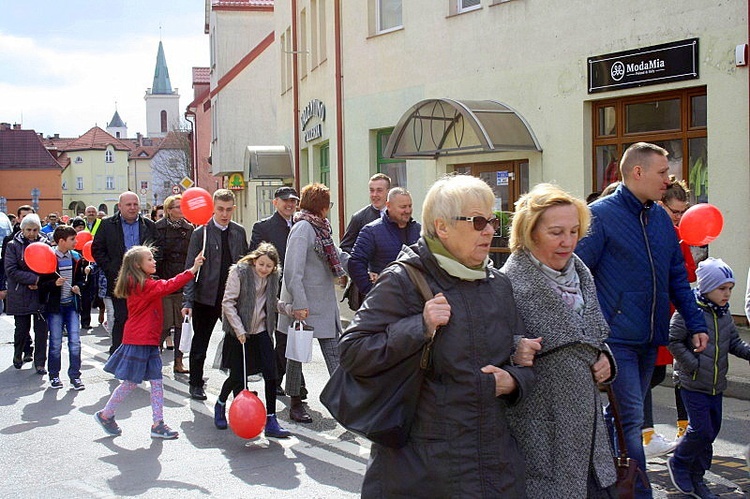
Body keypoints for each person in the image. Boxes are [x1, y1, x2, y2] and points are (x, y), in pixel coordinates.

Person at [339, 174, 536, 497]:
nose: (488, 230)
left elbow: (519, 356)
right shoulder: (405, 279)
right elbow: (353, 351)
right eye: (477, 221)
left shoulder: (497, 283)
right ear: (442, 227)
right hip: (423, 469)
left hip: (494, 464)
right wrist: (420, 326)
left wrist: (515, 380)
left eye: (492, 220)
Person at [576, 142, 708, 498]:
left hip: (650, 338)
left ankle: (599, 473)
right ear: (638, 172)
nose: (669, 179)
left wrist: (695, 322)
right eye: (663, 172)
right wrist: (590, 331)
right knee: (631, 421)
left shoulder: (661, 218)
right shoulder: (599, 215)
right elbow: (576, 272)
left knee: (618, 417)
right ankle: (636, 492)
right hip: (615, 339)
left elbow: (677, 276)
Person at [500, 183, 617, 497]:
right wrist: (513, 350)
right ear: (530, 232)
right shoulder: (507, 283)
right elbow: (486, 346)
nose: (568, 242)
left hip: (590, 435)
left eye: (574, 231)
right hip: (542, 433)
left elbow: (589, 334)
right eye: (556, 232)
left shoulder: (581, 273)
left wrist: (604, 358)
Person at [94, 246, 205, 439]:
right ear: (138, 265)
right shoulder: (141, 285)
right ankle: (106, 414)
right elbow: (169, 286)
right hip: (140, 339)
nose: (154, 262)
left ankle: (157, 423)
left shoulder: (140, 282)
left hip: (148, 339)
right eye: (150, 259)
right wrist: (193, 270)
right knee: (131, 382)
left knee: (156, 382)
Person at [667, 258, 750, 499]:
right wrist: (692, 365)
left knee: (711, 432)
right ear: (706, 288)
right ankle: (679, 462)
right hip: (692, 382)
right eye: (722, 289)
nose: (727, 294)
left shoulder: (724, 316)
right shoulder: (689, 312)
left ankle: (697, 477)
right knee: (701, 429)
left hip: (715, 384)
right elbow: (673, 340)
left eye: (730, 289)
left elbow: (733, 342)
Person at [277, 183, 349, 423]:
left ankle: (343, 405)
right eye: (328, 203)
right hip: (304, 306)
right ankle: (296, 404)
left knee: (335, 356)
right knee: (296, 357)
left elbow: (336, 255)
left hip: (323, 306)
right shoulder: (303, 229)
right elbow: (292, 271)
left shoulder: (321, 228)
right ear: (321, 206)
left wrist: (359, 264)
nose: (329, 208)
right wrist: (299, 303)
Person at [642, 177, 696, 458]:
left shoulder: (679, 236)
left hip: (674, 317)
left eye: (683, 213)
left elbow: (687, 276)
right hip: (651, 316)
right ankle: (644, 432)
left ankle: (682, 428)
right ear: (661, 205)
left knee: (666, 373)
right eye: (675, 212)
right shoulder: (648, 232)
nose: (680, 218)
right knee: (647, 376)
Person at [216, 242, 291, 438]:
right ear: (254, 260)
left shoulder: (272, 277)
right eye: (261, 264)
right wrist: (239, 329)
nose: (264, 269)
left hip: (262, 331)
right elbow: (228, 302)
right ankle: (221, 404)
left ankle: (271, 420)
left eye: (269, 266)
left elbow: (272, 302)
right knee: (238, 376)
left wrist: (292, 311)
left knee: (271, 373)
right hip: (240, 332)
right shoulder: (240, 272)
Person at [182, 189, 248, 400]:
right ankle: (195, 383)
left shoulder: (238, 232)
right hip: (205, 297)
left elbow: (244, 264)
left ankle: (239, 385)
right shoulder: (200, 233)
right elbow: (190, 269)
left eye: (229, 210)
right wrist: (188, 300)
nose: (224, 214)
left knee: (238, 341)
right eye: (220, 209)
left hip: (231, 298)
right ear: (213, 208)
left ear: (234, 209)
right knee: (201, 341)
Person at [92, 192, 157, 355]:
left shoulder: (148, 225)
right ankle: (118, 353)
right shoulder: (107, 225)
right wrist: (111, 268)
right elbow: (97, 250)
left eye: (135, 204)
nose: (133, 208)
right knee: (121, 317)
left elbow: (158, 249)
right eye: (128, 205)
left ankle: (139, 353)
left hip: (143, 280)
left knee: (142, 318)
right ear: (119, 206)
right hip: (119, 279)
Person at [250, 185, 300, 396]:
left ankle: (279, 379)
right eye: (285, 201)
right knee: (276, 337)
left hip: (296, 290)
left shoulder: (301, 224)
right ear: (275, 203)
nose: (289, 205)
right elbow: (254, 258)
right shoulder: (263, 227)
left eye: (293, 201)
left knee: (288, 337)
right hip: (272, 291)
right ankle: (280, 380)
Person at [348, 187, 421, 296]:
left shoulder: (419, 230)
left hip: (415, 299)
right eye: (403, 207)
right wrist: (371, 291)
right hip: (386, 300)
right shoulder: (371, 231)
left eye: (410, 206)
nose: (408, 210)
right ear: (389, 206)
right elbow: (355, 263)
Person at [38, 226, 86, 390]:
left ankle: (75, 376)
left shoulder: (75, 258)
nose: (76, 242)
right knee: (56, 342)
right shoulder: (49, 258)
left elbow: (80, 280)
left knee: (75, 342)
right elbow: (41, 285)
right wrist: (54, 283)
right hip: (55, 307)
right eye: (73, 239)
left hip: (71, 305)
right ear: (61, 241)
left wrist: (78, 287)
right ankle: (54, 375)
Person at [154, 194, 194, 373]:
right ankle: (154, 358)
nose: (181, 210)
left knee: (180, 323)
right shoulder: (157, 228)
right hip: (162, 281)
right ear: (169, 210)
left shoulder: (189, 228)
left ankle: (179, 361)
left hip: (182, 279)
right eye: (178, 207)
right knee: (163, 324)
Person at [4, 214, 49, 372]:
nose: (31, 233)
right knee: (22, 329)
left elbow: (50, 267)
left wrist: (40, 282)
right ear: (22, 229)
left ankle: (40, 363)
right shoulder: (12, 245)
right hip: (20, 292)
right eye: (28, 230)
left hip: (40, 293)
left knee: (42, 331)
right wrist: (32, 279)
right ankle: (18, 353)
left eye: (35, 230)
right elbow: (11, 270)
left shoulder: (45, 243)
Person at [339, 173, 391, 309]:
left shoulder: (398, 217)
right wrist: (363, 270)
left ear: (388, 192)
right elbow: (345, 248)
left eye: (379, 190)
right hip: (367, 289)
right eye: (371, 190)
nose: (374, 194)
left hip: (393, 285)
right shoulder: (359, 218)